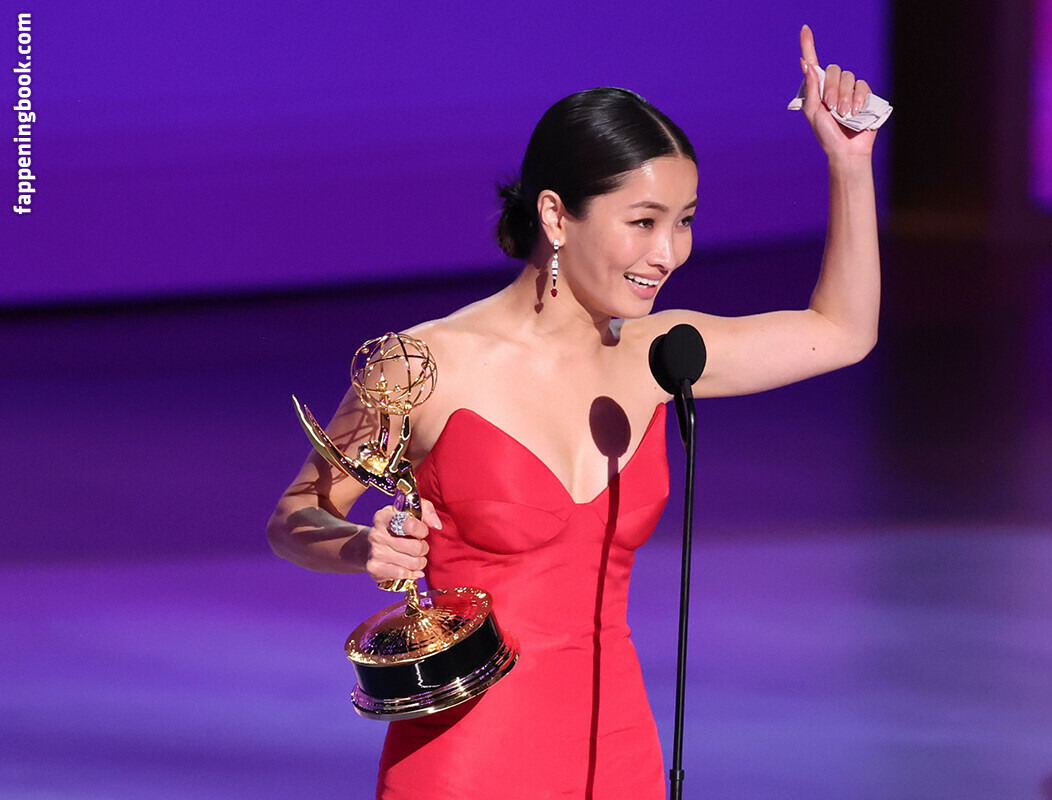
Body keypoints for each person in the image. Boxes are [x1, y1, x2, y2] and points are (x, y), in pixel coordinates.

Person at [267, 25, 880, 800]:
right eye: (644, 221)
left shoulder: (661, 357)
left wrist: (848, 163)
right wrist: (363, 547)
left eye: (685, 220)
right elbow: (295, 515)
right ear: (556, 217)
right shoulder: (424, 365)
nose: (670, 252)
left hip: (616, 749)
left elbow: (842, 332)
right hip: (466, 756)